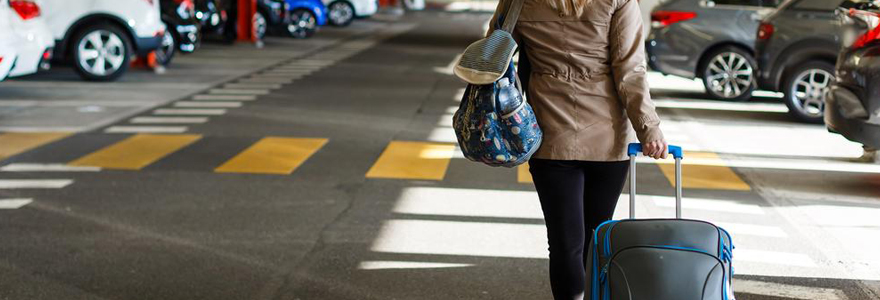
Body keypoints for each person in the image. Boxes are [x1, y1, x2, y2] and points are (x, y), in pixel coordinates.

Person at [487, 0, 668, 298]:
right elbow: (630, 69)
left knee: (564, 243)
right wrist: (649, 128)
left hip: (548, 134)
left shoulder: (518, 1)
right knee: (595, 239)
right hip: (606, 137)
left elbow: (493, 55)